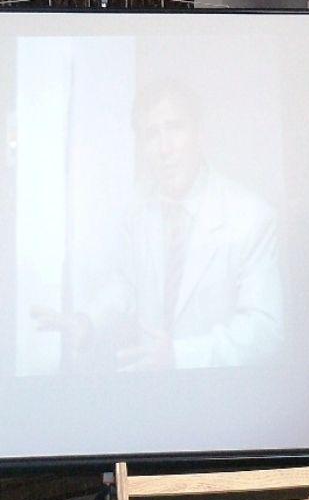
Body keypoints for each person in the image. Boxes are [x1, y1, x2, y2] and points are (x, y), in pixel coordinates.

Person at [33, 82, 283, 371]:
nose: (165, 149)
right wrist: (88, 322)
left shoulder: (253, 218)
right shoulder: (137, 207)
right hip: (149, 388)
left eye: (175, 128)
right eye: (152, 134)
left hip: (220, 392)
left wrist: (180, 356)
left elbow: (265, 331)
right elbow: (128, 285)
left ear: (200, 133)